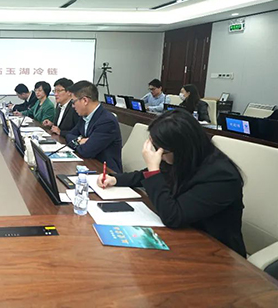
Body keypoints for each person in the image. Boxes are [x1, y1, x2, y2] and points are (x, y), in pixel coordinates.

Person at [97, 109, 246, 257]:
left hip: (215, 252)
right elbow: (146, 175)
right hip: (183, 237)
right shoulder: (186, 158)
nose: (159, 156)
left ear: (182, 148)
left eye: (162, 152)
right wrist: (115, 179)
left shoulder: (222, 176)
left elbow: (173, 216)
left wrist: (153, 170)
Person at [65, 80, 123, 173]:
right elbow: (69, 135)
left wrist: (78, 142)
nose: (73, 106)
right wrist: (80, 140)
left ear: (85, 100)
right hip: (88, 165)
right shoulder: (84, 116)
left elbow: (86, 151)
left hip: (106, 172)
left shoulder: (107, 121)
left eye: (73, 102)